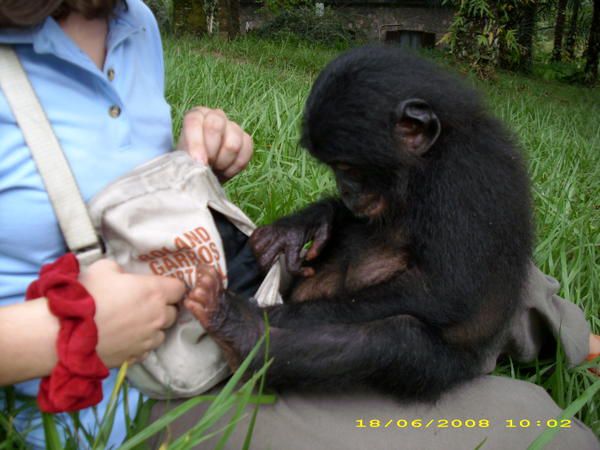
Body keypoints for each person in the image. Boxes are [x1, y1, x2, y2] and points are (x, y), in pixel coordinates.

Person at [0, 1, 597, 449]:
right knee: (538, 428)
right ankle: (264, 340)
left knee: (491, 269)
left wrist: (192, 164)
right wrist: (60, 334)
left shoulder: (134, 21)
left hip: (210, 275)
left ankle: (573, 337)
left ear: (415, 133)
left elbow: (447, 276)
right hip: (138, 377)